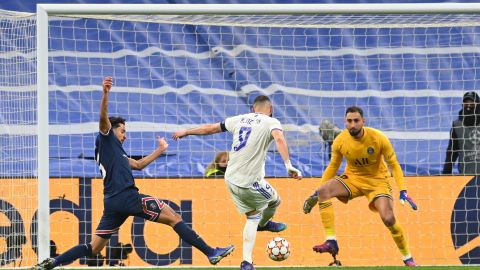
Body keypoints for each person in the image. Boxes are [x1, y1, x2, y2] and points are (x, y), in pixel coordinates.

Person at [32, 77, 234, 270]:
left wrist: (159, 150)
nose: (125, 136)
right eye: (122, 131)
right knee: (174, 217)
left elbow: (138, 165)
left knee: (93, 247)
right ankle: (210, 252)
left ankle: (53, 262)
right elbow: (103, 118)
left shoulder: (114, 152)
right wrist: (105, 93)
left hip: (112, 202)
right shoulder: (106, 138)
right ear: (112, 130)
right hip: (128, 197)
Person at [172, 95, 302, 270]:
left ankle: (247, 262)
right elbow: (279, 139)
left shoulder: (239, 119)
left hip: (231, 179)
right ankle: (264, 224)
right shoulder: (271, 122)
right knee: (275, 201)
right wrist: (289, 166)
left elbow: (211, 128)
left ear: (252, 110)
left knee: (253, 216)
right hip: (249, 181)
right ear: (270, 109)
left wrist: (186, 132)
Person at [303, 106, 418, 267]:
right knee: (324, 190)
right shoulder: (340, 141)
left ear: (363, 121)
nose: (353, 124)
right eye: (349, 121)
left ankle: (408, 258)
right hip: (354, 178)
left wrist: (403, 190)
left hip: (378, 181)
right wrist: (316, 192)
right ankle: (331, 241)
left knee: (388, 218)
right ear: (345, 122)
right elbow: (332, 167)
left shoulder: (378, 138)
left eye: (356, 121)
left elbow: (394, 164)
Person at [443, 91, 480, 175]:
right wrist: (446, 173)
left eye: (472, 103)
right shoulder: (457, 125)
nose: (469, 106)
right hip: (466, 176)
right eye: (466, 103)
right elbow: (452, 151)